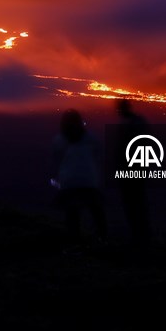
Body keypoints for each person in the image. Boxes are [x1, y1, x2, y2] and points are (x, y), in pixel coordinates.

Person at [52, 109, 107, 247]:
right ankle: (103, 240)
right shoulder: (91, 138)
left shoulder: (59, 140)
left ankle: (74, 244)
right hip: (89, 181)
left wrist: (57, 181)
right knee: (96, 211)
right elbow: (98, 155)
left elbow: (56, 160)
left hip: (69, 182)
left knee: (72, 214)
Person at [114, 99, 152, 251]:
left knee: (132, 204)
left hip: (130, 170)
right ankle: (143, 238)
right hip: (140, 169)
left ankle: (138, 239)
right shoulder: (139, 122)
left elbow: (121, 150)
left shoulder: (126, 125)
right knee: (139, 204)